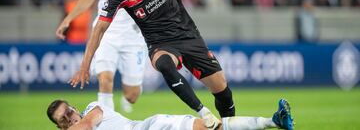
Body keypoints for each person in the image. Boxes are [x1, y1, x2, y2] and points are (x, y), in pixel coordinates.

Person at [69, 0, 294, 130]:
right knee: (164, 64)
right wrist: (84, 65)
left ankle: (225, 124)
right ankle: (202, 111)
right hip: (159, 43)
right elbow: (99, 28)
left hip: (188, 36)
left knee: (223, 91)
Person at [56, 0, 148, 113]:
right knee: (105, 81)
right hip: (105, 34)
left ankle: (128, 95)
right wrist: (68, 18)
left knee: (132, 95)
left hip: (133, 35)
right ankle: (108, 124)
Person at [46, 99, 293, 130]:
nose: (70, 117)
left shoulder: (91, 109)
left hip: (153, 128)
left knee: (211, 128)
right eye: (63, 119)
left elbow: (87, 126)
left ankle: (272, 121)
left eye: (69, 111)